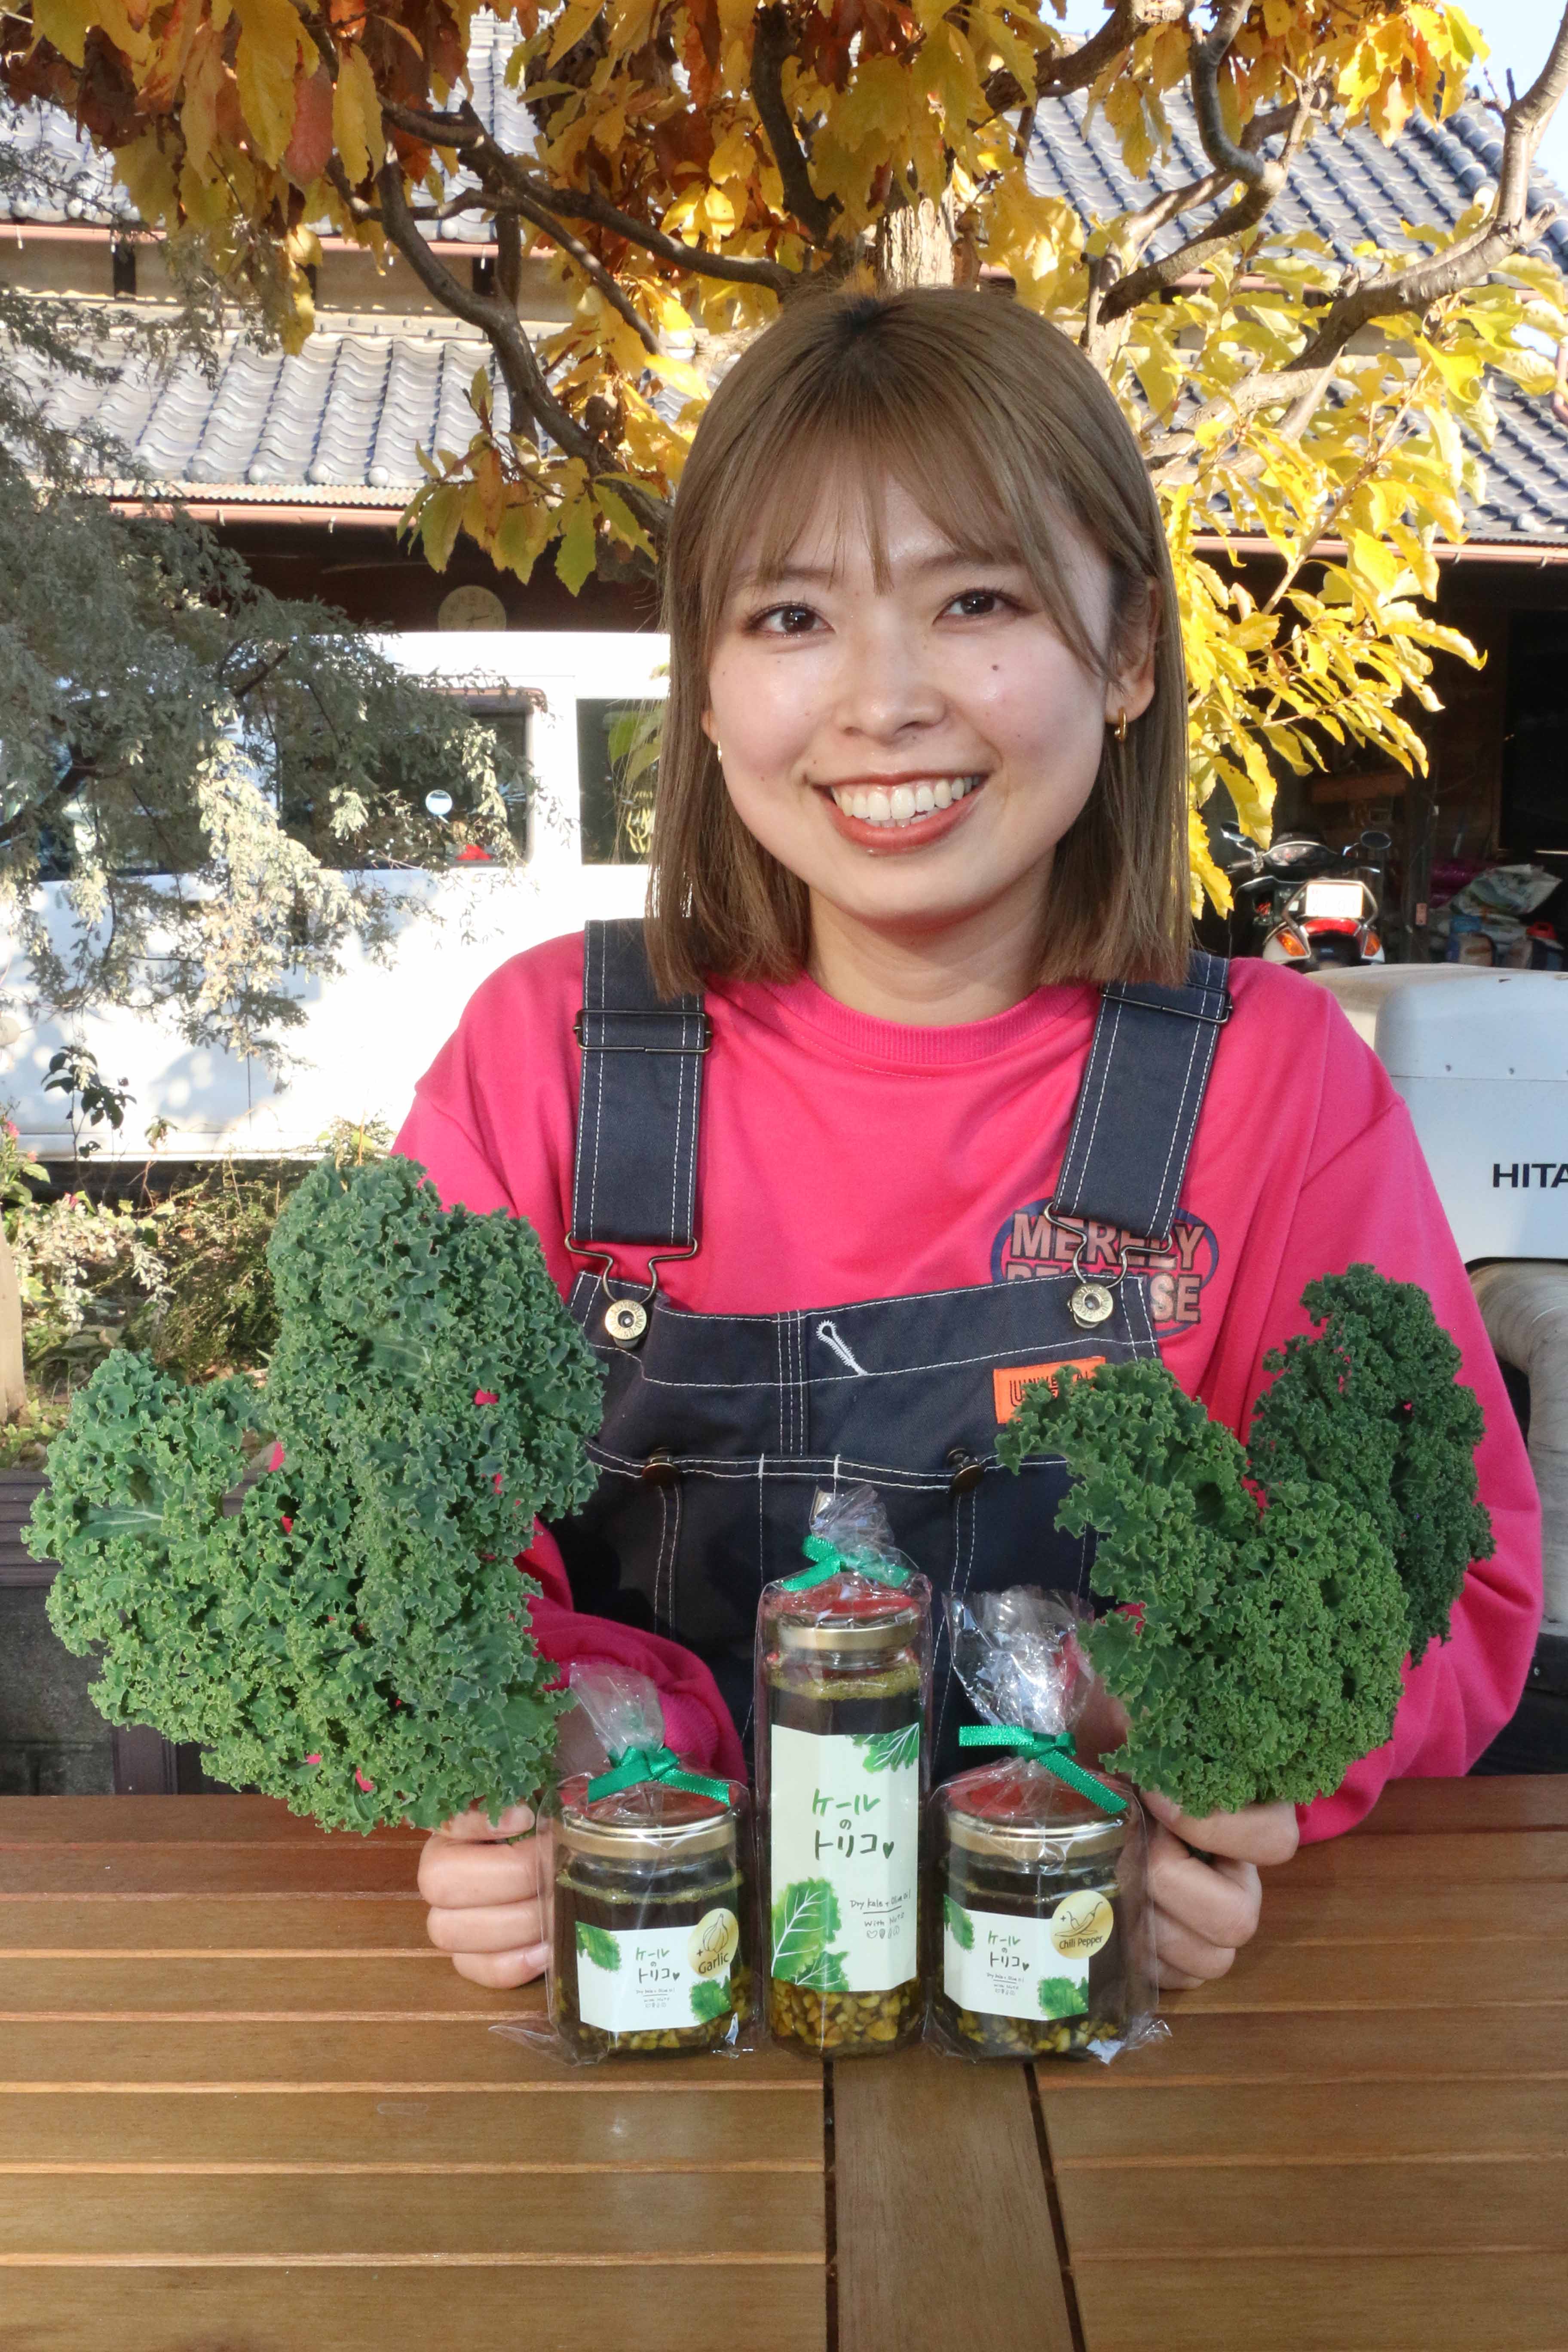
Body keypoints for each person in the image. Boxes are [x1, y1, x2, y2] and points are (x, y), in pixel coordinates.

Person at [398, 288, 1541, 1998]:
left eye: (978, 601)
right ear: (706, 692)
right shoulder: (551, 1054)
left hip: (1086, 1987)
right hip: (647, 1992)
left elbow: (1451, 1589)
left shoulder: (1268, 1081)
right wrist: (542, 1772)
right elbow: (382, 1539)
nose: (886, 701)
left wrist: (1216, 1769)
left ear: (1130, 651)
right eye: (791, 616)